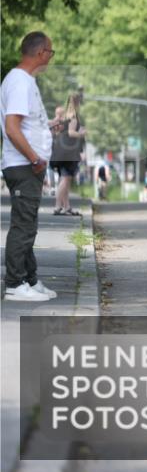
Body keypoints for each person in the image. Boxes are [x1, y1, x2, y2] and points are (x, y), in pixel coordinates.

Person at [1, 32, 61, 302]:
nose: (51, 57)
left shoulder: (24, 82)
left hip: (26, 165)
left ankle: (30, 278)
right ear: (40, 53)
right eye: (51, 52)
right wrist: (35, 158)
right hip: (24, 165)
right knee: (23, 226)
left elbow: (24, 124)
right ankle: (15, 284)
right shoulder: (20, 83)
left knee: (28, 224)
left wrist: (46, 128)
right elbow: (12, 128)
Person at [50, 91, 87, 215]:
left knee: (66, 178)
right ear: (77, 102)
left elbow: (59, 131)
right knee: (65, 179)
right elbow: (71, 132)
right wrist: (82, 133)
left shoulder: (65, 115)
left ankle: (67, 206)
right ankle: (57, 206)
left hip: (61, 151)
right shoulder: (73, 116)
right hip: (68, 153)